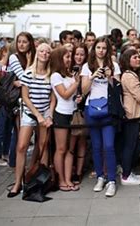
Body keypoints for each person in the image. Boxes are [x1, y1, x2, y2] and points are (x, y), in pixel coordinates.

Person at [7, 43, 54, 197]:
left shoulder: (51, 74)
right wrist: (38, 115)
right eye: (42, 51)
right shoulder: (28, 73)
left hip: (45, 114)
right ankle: (17, 183)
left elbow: (52, 98)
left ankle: (42, 181)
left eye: (47, 52)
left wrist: (48, 115)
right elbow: (25, 97)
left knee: (43, 147)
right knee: (21, 146)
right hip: (29, 114)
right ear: (37, 53)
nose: (45, 54)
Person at [81, 37, 120, 197]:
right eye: (98, 47)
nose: (101, 51)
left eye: (104, 48)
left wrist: (110, 77)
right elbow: (83, 91)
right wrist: (92, 77)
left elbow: (118, 90)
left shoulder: (114, 66)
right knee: (96, 146)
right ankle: (100, 177)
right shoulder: (87, 67)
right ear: (94, 49)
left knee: (109, 146)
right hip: (92, 109)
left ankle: (111, 180)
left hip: (108, 110)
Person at [50, 46, 81, 191]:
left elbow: (73, 95)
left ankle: (68, 179)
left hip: (73, 113)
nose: (69, 60)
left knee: (70, 149)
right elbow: (64, 94)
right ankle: (61, 180)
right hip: (61, 114)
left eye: (70, 57)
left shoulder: (70, 75)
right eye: (67, 57)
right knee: (61, 148)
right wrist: (76, 83)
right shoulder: (55, 76)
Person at [7, 32, 36, 168]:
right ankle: (14, 162)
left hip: (35, 99)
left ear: (30, 43)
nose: (21, 45)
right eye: (19, 42)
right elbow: (24, 77)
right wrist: (30, 63)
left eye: (24, 42)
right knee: (19, 133)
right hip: (19, 100)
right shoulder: (14, 57)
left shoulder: (35, 56)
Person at [119, 49, 140, 186]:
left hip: (132, 114)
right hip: (132, 115)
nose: (138, 59)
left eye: (139, 57)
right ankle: (126, 175)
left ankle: (128, 171)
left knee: (132, 144)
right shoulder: (129, 76)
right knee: (130, 145)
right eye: (135, 57)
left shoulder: (129, 75)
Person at [69, 44, 88, 185]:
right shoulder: (67, 70)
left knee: (81, 140)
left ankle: (79, 172)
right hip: (69, 109)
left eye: (82, 54)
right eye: (77, 54)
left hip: (83, 109)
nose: (79, 57)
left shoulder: (87, 70)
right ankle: (69, 170)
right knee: (71, 142)